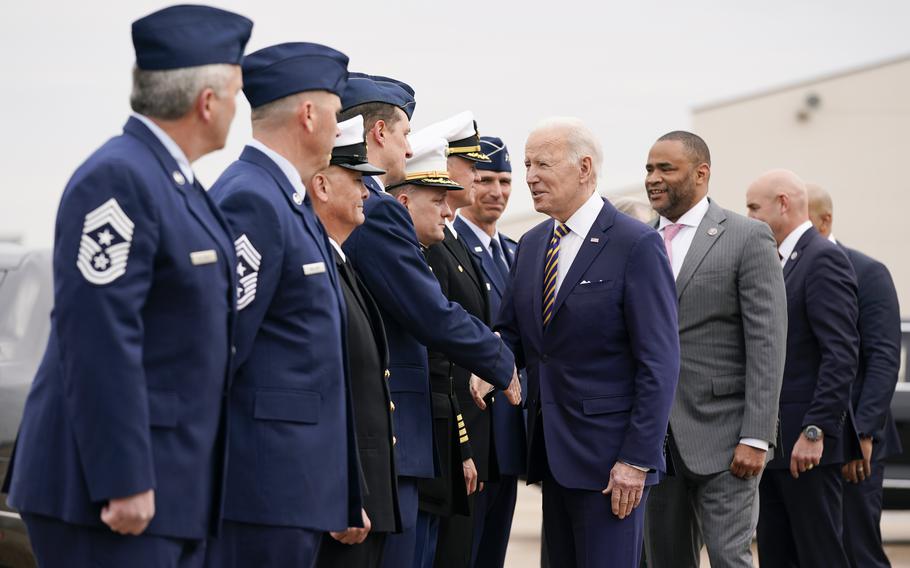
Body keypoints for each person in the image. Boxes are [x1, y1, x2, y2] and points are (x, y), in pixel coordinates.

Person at [1, 5, 252, 567]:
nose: (240, 107)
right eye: (236, 92)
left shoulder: (173, 183)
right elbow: (98, 333)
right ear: (206, 102)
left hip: (168, 487)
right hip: (113, 496)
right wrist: (124, 477)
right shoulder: (119, 179)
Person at [340, 76, 521, 568]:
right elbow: (429, 313)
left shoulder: (371, 205)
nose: (408, 144)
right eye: (404, 133)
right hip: (394, 430)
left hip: (408, 434)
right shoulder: (377, 211)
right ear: (379, 133)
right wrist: (501, 360)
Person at [203, 42, 362, 568]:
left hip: (294, 486)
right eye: (337, 114)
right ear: (308, 114)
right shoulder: (252, 197)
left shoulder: (284, 199)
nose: (340, 130)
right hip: (262, 487)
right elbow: (221, 347)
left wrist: (340, 486)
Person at [496, 117, 679, 568]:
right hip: (552, 457)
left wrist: (637, 460)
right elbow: (513, 334)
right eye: (526, 165)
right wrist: (488, 366)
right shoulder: (533, 244)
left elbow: (659, 362)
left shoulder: (636, 244)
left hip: (612, 466)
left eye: (543, 163)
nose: (531, 176)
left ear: (584, 168)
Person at [640, 131, 787, 568]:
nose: (653, 178)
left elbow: (767, 341)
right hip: (654, 443)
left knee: (730, 559)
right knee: (664, 561)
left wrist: (757, 436)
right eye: (649, 168)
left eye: (666, 168)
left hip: (726, 441)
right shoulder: (638, 242)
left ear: (701, 174)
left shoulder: (747, 237)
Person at [745, 170, 860, 568]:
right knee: (778, 555)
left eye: (753, 208)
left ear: (783, 203)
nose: (749, 217)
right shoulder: (777, 260)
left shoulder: (822, 259)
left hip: (807, 448)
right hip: (775, 445)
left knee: (819, 555)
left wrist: (816, 430)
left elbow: (841, 354)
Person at [311, 115, 401, 568]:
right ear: (322, 187)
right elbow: (323, 390)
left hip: (364, 497)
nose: (367, 191)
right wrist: (341, 490)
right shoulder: (317, 267)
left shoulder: (339, 262)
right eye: (356, 179)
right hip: (346, 502)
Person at [808, 184, 902, 568]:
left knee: (858, 548)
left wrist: (862, 433)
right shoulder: (780, 270)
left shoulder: (867, 271)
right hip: (806, 438)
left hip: (856, 441)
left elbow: (882, 358)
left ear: (825, 219)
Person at [417, 112, 496, 568]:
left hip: (466, 428)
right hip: (447, 429)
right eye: (470, 166)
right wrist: (462, 445)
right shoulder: (435, 241)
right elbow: (439, 350)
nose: (475, 175)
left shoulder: (451, 239)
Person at [455, 136, 526, 568]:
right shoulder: (451, 247)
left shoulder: (516, 253)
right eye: (483, 180)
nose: (495, 192)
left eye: (504, 180)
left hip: (508, 434)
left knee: (493, 553)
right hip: (473, 429)